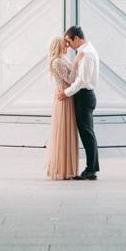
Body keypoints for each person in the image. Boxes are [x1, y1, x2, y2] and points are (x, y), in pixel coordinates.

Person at [58, 25, 100, 180]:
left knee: (87, 134)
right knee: (88, 133)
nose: (68, 45)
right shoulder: (88, 51)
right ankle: (91, 169)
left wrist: (65, 93)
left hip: (84, 96)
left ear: (77, 38)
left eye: (69, 41)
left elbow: (82, 80)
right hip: (86, 95)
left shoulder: (86, 54)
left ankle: (91, 170)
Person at [45, 36, 79, 180]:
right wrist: (77, 62)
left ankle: (66, 168)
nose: (67, 46)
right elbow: (70, 79)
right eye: (65, 44)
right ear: (59, 46)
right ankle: (62, 168)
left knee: (67, 131)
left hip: (67, 95)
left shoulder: (62, 59)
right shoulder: (57, 62)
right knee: (64, 131)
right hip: (63, 98)